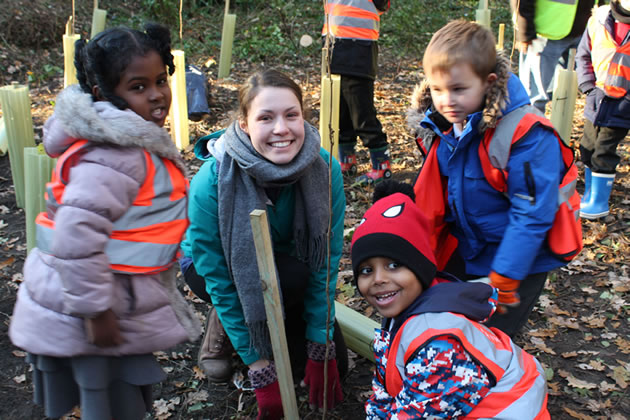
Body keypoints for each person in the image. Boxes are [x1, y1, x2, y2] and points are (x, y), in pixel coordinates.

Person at [8, 24, 201, 420]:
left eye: (160, 80)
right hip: (89, 304)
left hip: (104, 294)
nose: (156, 94)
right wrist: (96, 312)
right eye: (138, 86)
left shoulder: (130, 144)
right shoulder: (115, 156)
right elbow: (76, 236)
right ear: (105, 93)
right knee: (108, 400)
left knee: (113, 396)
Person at [180, 69, 348, 419]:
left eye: (291, 115)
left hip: (289, 266)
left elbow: (325, 261)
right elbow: (219, 277)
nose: (281, 129)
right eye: (265, 118)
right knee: (276, 282)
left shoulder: (325, 170)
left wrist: (320, 341)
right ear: (244, 124)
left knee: (337, 365)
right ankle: (225, 330)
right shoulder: (211, 182)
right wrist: (259, 365)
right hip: (218, 268)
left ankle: (288, 322)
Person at [406, 20, 574, 337]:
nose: (446, 100)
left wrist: (507, 275)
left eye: (458, 89)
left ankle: (501, 379)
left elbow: (532, 214)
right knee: (457, 327)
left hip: (521, 261)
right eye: (437, 89)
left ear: (488, 82)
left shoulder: (525, 135)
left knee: (493, 336)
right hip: (473, 245)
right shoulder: (447, 125)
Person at [351, 181, 550, 419]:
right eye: (365, 270)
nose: (378, 279)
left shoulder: (439, 342)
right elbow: (385, 389)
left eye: (394, 265)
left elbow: (420, 413)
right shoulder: (401, 312)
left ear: (420, 268)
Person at [323, 0, 392, 184]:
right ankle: (346, 162)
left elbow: (382, 5)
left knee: (362, 113)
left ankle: (381, 165)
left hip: (359, 50)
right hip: (333, 47)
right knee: (341, 112)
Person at [576, 0, 630, 219]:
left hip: (624, 103)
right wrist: (588, 87)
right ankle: (590, 195)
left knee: (604, 150)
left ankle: (599, 202)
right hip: (597, 98)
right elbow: (584, 55)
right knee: (587, 146)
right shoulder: (598, 20)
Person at [512, 0, 603, 113]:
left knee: (566, 94)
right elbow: (522, 4)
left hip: (580, 32)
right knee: (534, 96)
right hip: (544, 35)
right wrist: (525, 33)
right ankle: (530, 127)